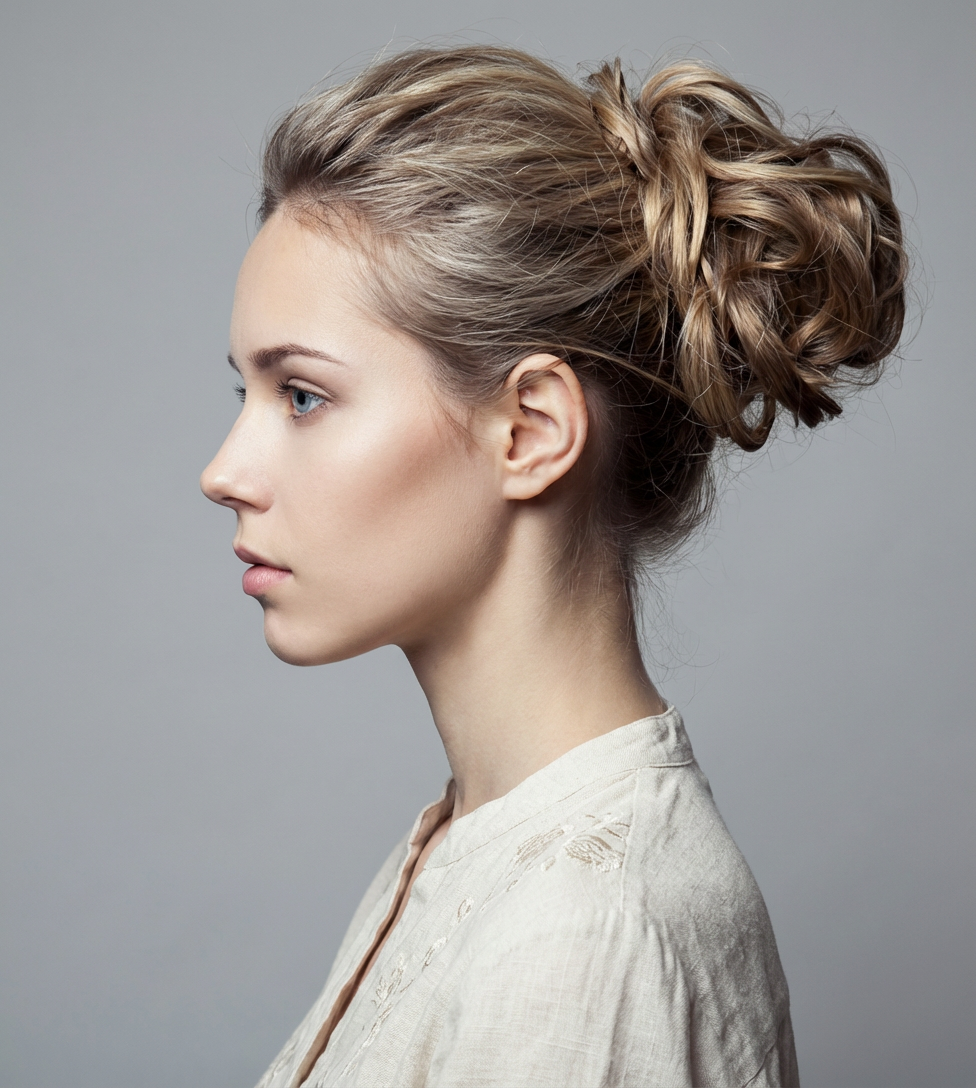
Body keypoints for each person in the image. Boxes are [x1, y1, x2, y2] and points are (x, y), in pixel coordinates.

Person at [200, 45, 906, 1088]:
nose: (224, 472)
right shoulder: (476, 846)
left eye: (302, 395)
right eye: (243, 396)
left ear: (529, 429)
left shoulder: (580, 937)